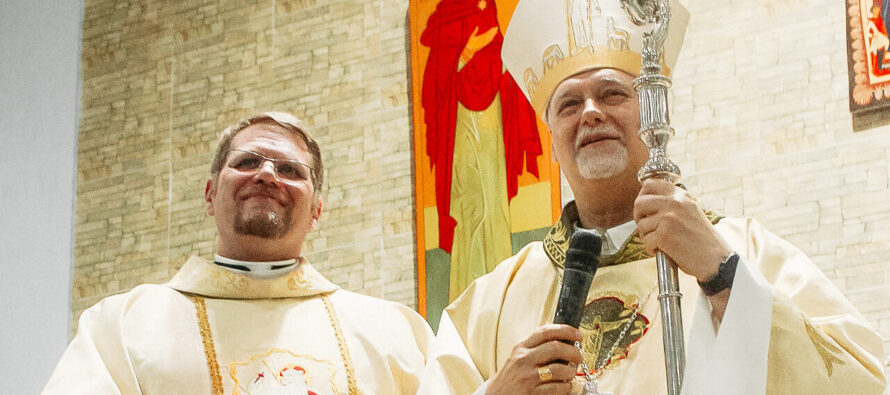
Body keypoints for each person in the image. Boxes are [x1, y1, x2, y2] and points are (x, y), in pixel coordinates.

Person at [418, 0, 888, 394]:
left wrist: (725, 279)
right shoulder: (490, 303)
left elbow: (862, 382)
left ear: (653, 114)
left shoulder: (742, 249)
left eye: (612, 94)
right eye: (569, 103)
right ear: (551, 138)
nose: (591, 113)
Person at [44, 112, 433, 394]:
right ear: (210, 195)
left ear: (316, 211)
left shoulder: (393, 333)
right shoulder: (122, 327)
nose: (266, 175)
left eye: (291, 170)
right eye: (247, 162)